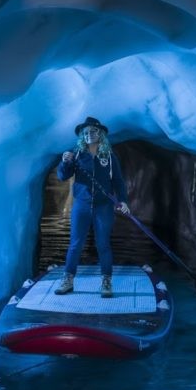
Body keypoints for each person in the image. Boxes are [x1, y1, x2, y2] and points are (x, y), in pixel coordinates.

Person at [55, 116, 130, 298]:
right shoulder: (77, 155)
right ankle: (68, 280)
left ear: (100, 134)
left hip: (103, 207)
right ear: (83, 135)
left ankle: (106, 281)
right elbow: (62, 176)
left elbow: (118, 182)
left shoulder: (109, 157)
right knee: (75, 244)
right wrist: (65, 162)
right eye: (86, 132)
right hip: (81, 205)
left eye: (93, 131)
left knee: (103, 244)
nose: (89, 135)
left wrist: (123, 200)